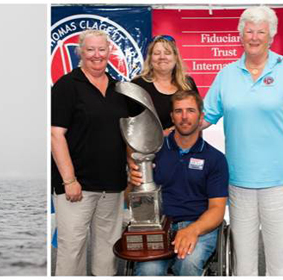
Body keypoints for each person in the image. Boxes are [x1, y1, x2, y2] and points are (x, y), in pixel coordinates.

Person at [202, 6, 283, 276]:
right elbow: (204, 117)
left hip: (281, 180)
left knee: (282, 257)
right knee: (243, 258)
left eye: (260, 31)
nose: (254, 37)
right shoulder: (227, 74)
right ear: (240, 35)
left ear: (271, 36)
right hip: (239, 180)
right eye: (249, 31)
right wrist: (173, 129)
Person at [51, 29, 135, 276]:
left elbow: (128, 134)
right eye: (90, 50)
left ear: (110, 51)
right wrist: (69, 180)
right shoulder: (66, 86)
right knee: (72, 250)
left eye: (101, 49)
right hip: (77, 188)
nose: (96, 55)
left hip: (113, 186)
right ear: (80, 52)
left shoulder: (120, 88)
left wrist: (132, 170)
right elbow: (56, 135)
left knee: (108, 252)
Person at [128, 90, 229, 276]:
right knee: (149, 270)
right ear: (172, 117)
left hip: (199, 225)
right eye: (178, 111)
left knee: (188, 262)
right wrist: (132, 183)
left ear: (201, 117)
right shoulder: (153, 152)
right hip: (159, 226)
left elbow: (217, 209)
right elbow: (130, 198)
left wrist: (193, 230)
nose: (184, 117)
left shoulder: (215, 159)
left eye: (190, 110)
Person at [131, 35, 199, 136]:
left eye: (167, 53)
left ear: (175, 58)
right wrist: (159, 135)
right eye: (157, 53)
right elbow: (131, 125)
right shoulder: (137, 85)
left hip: (183, 147)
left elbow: (197, 119)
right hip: (148, 149)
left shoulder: (188, 84)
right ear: (150, 58)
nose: (162, 57)